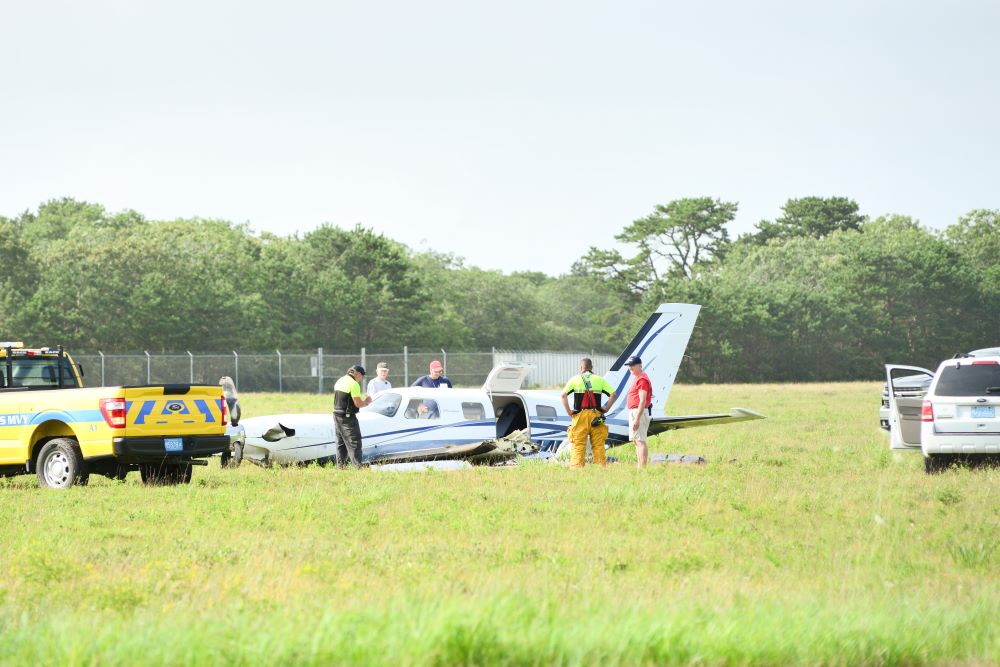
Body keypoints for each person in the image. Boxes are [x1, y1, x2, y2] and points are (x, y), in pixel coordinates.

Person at [560, 358, 616, 468]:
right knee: (598, 444)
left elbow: (563, 395)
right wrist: (606, 408)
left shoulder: (575, 379)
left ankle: (577, 469)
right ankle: (600, 469)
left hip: (580, 416)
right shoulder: (600, 380)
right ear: (591, 368)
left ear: (581, 368)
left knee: (578, 444)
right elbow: (613, 394)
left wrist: (569, 411)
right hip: (596, 416)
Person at [333, 365, 371, 468]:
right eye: (362, 376)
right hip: (347, 417)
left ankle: (341, 467)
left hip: (337, 414)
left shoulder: (340, 380)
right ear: (358, 374)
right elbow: (358, 403)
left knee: (341, 443)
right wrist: (366, 402)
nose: (361, 379)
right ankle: (358, 467)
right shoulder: (354, 384)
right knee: (354, 442)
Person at [624, 355, 653, 468]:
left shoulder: (642, 379)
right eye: (629, 365)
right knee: (637, 441)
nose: (630, 367)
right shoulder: (637, 378)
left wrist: (637, 419)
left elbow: (642, 400)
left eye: (632, 365)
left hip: (638, 412)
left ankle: (642, 468)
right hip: (635, 411)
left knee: (640, 441)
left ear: (640, 365)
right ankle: (640, 466)